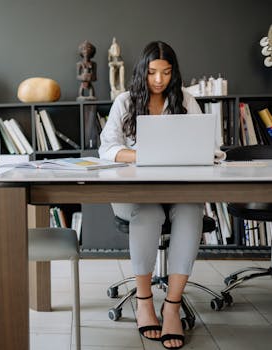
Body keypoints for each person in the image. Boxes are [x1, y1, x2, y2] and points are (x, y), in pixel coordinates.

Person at [98, 41, 203, 350]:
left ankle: (171, 305)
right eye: (153, 73)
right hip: (136, 193)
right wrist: (142, 155)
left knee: (190, 210)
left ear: (174, 73)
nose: (159, 80)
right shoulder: (125, 101)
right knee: (149, 212)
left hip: (177, 190)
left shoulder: (185, 99)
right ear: (142, 71)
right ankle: (145, 302)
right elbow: (106, 149)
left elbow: (209, 147)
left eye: (167, 73)